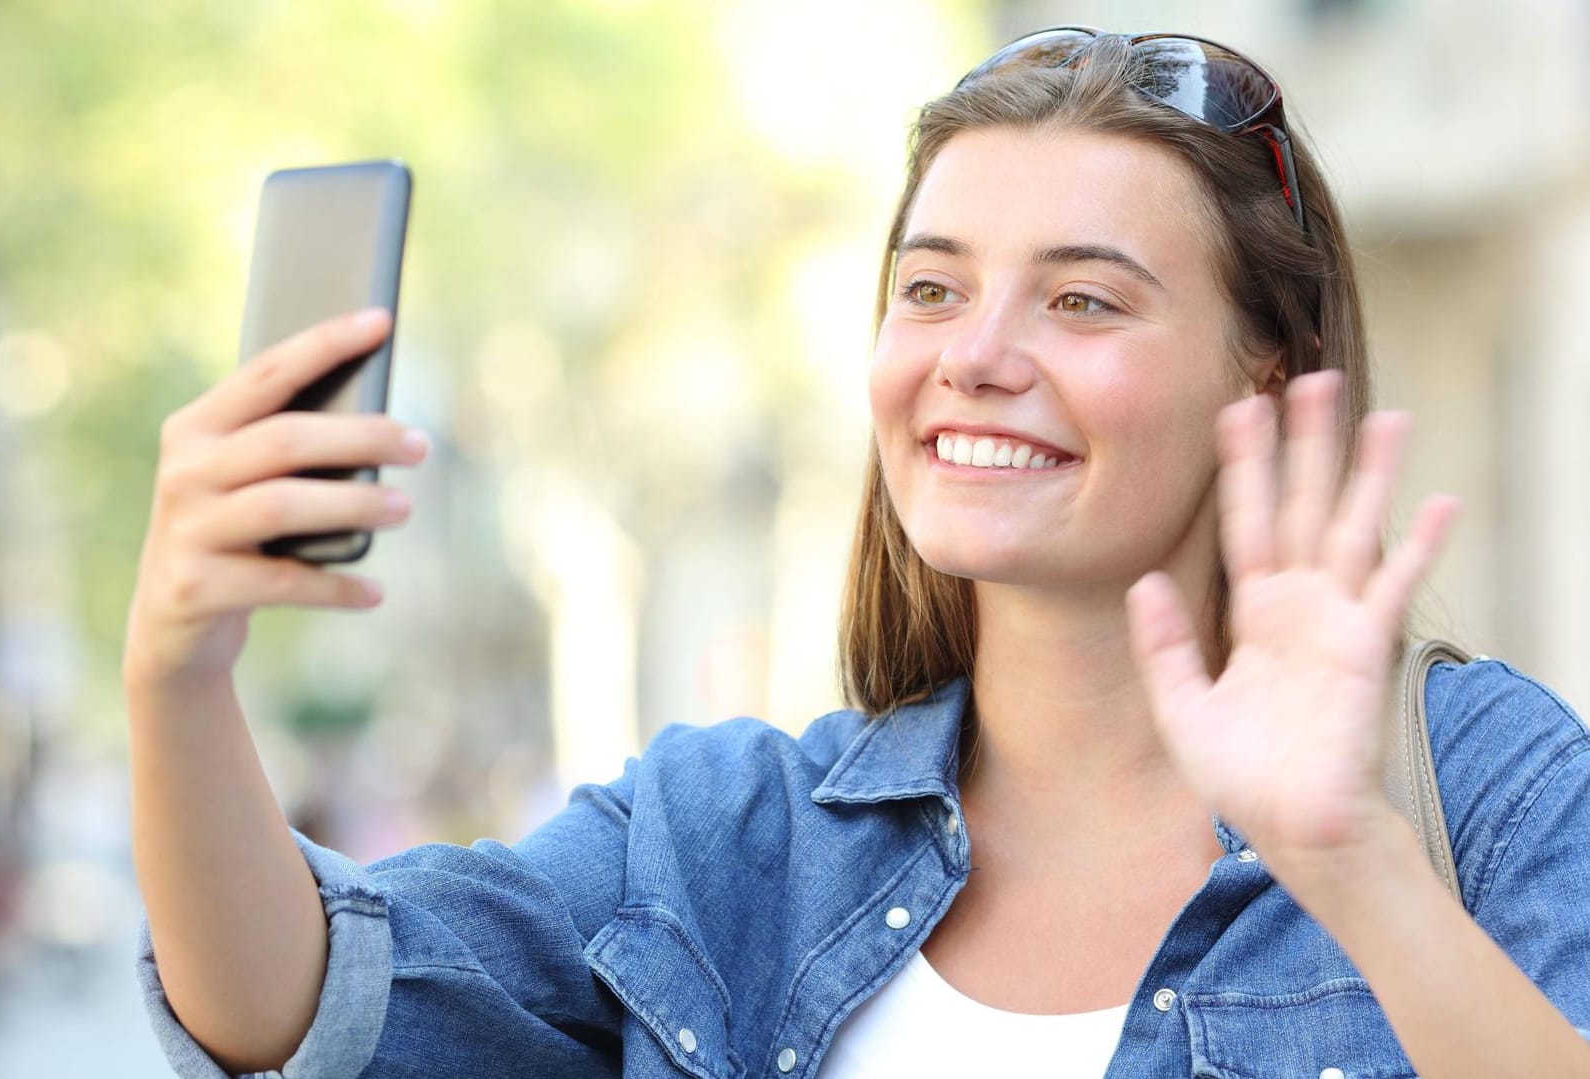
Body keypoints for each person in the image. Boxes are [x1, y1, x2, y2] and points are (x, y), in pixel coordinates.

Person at [124, 27, 1590, 1079]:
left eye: (1083, 303)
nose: (977, 359)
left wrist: (1351, 868)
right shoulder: (718, 843)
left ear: (1265, 374)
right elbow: (301, 1011)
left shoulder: (1486, 791)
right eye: (932, 289)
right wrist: (179, 678)